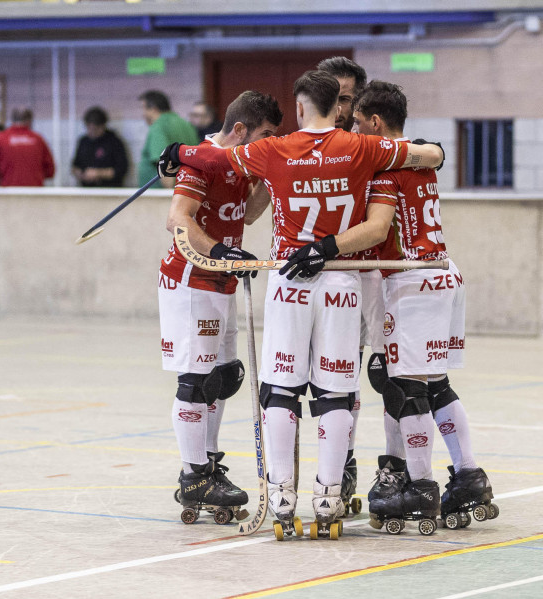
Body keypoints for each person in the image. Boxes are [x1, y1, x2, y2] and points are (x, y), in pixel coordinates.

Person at [157, 70, 444, 538]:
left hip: (288, 280)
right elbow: (424, 154)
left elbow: (221, 155)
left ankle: (281, 494)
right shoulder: (362, 148)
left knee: (279, 391)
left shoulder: (273, 150)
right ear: (342, 108)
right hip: (339, 280)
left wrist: (180, 151)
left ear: (299, 108)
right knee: (335, 391)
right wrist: (439, 150)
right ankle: (329, 494)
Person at [312, 80, 495, 533]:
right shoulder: (417, 157)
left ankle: (421, 486)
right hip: (442, 272)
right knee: (436, 386)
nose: (354, 131)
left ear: (375, 122)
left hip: (413, 280)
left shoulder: (386, 170)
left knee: (405, 389)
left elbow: (377, 230)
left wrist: (324, 247)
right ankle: (469, 474)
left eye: (358, 123)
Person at [160, 91, 282, 525]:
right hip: (192, 279)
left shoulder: (242, 163)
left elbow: (247, 215)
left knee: (223, 377)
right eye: (266, 136)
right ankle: (194, 474)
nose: (270, 143)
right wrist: (221, 251)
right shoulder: (202, 160)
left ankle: (208, 463)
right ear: (241, 130)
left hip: (222, 280)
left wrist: (272, 176)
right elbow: (178, 219)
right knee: (195, 379)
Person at [316, 55, 376, 514]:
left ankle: (345, 462)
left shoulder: (366, 146)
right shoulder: (298, 143)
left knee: (345, 376)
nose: (337, 108)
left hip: (354, 278)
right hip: (303, 280)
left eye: (346, 99)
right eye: (330, 97)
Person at [138, 90, 199, 188]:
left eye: (144, 109)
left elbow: (164, 162)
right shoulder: (185, 124)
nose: (143, 114)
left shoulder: (158, 126)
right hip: (187, 188)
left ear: (153, 109)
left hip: (160, 196)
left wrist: (168, 193)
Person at [0, 108, 55, 187]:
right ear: (29, 121)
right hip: (34, 192)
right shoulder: (38, 139)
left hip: (8, 192)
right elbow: (50, 171)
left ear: (12, 121)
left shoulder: (0, 139)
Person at [71, 107, 129, 187]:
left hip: (109, 189)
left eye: (95, 129)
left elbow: (121, 169)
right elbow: (75, 166)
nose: (91, 132)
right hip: (86, 190)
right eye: (89, 128)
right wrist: (82, 175)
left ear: (103, 126)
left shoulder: (114, 142)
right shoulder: (83, 141)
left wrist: (98, 173)